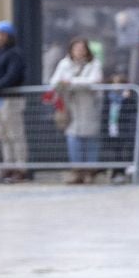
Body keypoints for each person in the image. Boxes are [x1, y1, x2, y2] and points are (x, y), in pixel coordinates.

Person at [48, 38, 104, 182]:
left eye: (82, 48)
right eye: (76, 48)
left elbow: (94, 81)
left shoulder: (94, 64)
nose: (79, 51)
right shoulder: (64, 63)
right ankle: (77, 171)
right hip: (71, 108)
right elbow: (54, 82)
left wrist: (71, 82)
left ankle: (91, 172)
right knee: (73, 138)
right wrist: (68, 84)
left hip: (90, 107)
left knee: (91, 139)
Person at [0, 21, 28, 181]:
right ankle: (8, 165)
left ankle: (20, 167)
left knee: (15, 134)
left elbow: (12, 76)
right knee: (3, 135)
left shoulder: (14, 54)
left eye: (2, 35)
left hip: (10, 99)